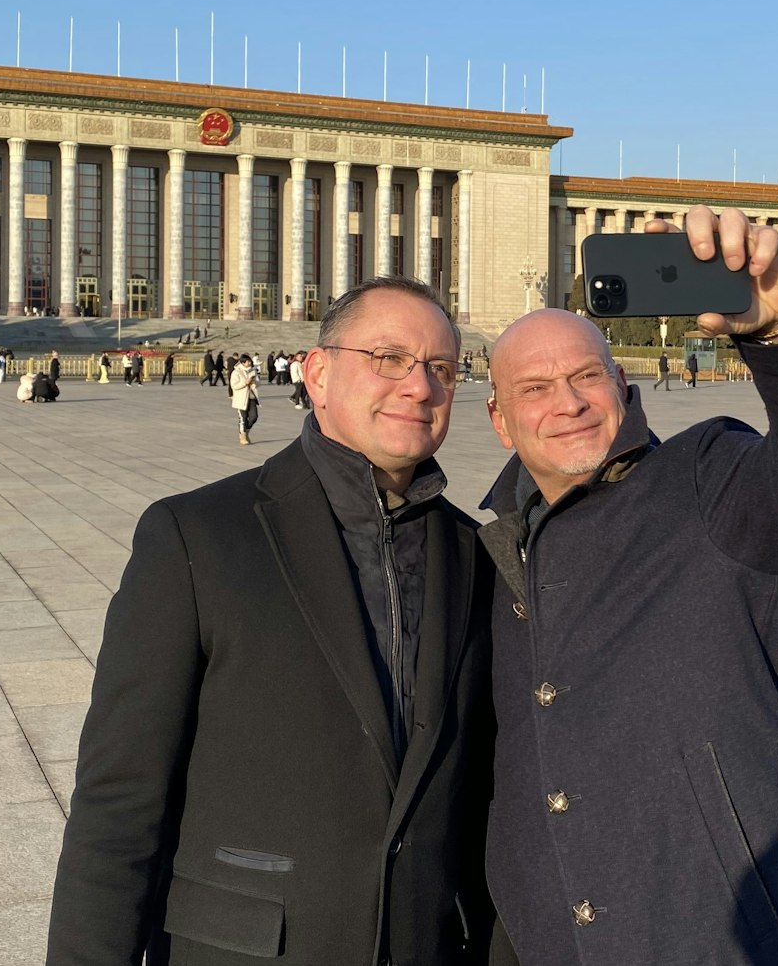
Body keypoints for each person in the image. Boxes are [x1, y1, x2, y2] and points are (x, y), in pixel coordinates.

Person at [477, 206, 778, 966]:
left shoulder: (709, 480)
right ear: (501, 420)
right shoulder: (489, 551)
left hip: (738, 940)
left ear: (622, 384)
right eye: (535, 388)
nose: (566, 403)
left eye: (585, 376)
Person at [48, 278, 497, 966]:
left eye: (441, 368)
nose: (420, 385)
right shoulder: (197, 537)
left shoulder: (474, 555)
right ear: (316, 372)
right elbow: (119, 801)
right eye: (388, 357)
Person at [230, 353, 260, 445]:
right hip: (241, 398)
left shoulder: (252, 371)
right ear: (243, 362)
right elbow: (234, 385)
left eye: (250, 361)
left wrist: (254, 382)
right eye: (248, 362)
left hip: (251, 397)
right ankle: (242, 436)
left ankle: (246, 431)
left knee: (254, 417)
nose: (250, 363)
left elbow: (258, 384)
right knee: (243, 418)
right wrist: (245, 383)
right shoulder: (236, 372)